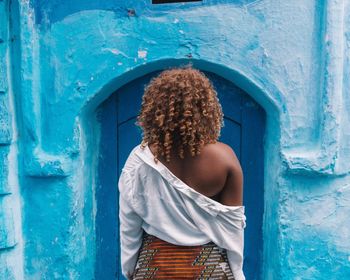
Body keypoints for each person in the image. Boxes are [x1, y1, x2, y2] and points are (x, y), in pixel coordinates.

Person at [118, 65, 246, 280]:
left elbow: (129, 227)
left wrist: (130, 270)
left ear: (155, 110)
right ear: (206, 108)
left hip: (155, 267)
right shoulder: (224, 157)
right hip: (210, 269)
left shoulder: (139, 160)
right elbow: (233, 229)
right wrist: (237, 272)